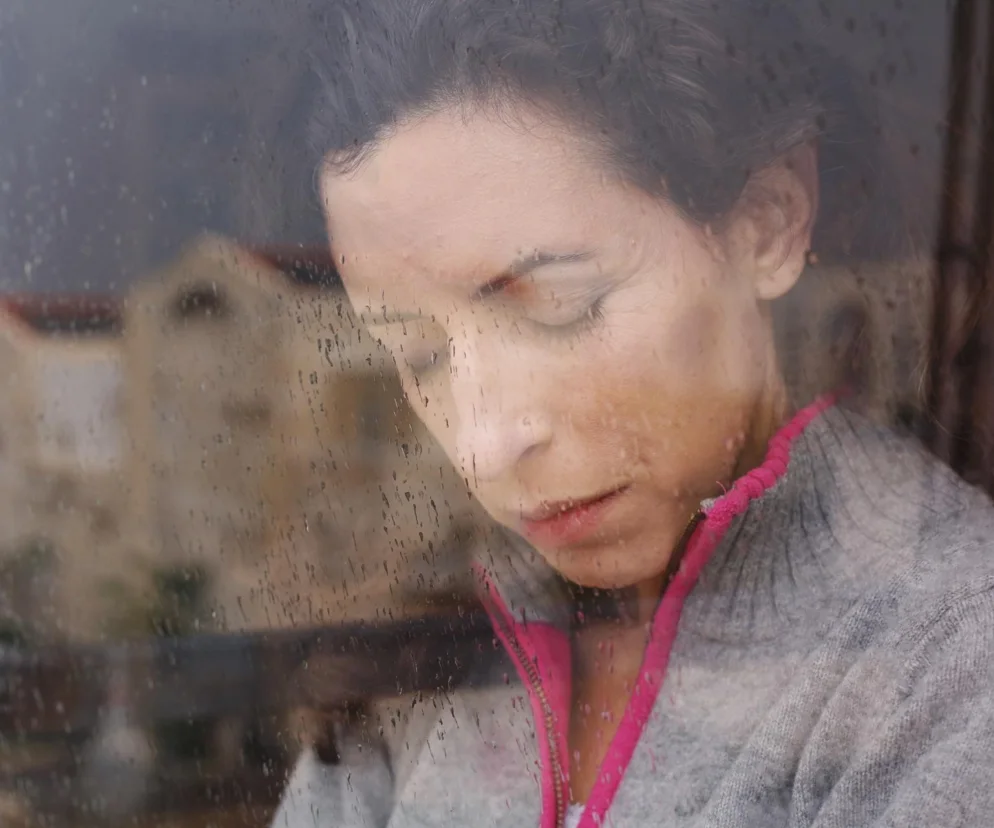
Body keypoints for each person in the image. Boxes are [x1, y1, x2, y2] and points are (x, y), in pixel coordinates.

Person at [272, 1, 994, 825]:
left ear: (767, 222)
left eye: (559, 305)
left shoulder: (951, 658)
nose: (481, 446)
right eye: (417, 352)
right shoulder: (426, 651)